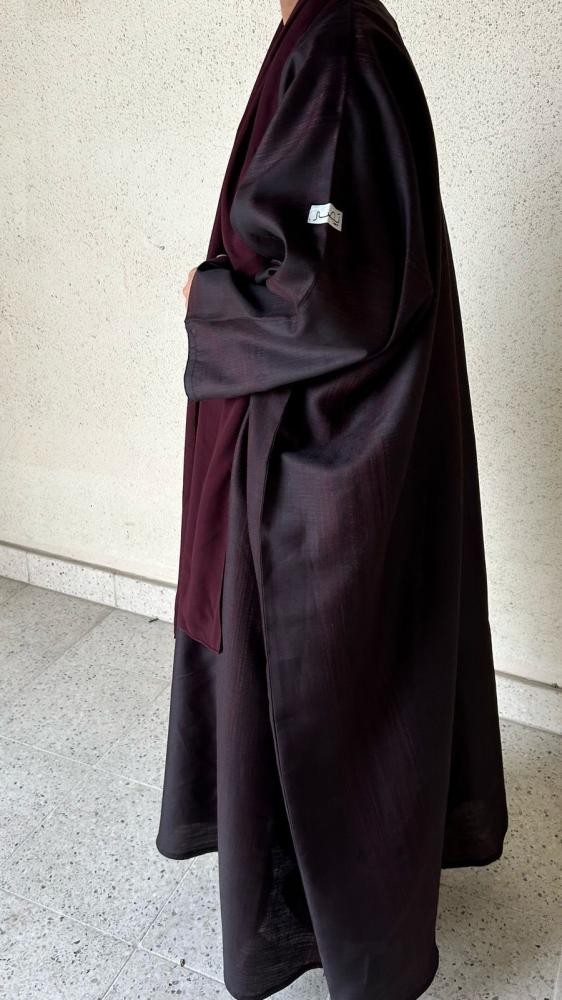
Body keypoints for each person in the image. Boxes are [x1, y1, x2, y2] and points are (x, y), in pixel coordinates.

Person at [156, 2, 509, 998]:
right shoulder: (332, 33)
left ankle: (344, 937)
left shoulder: (338, 47)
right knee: (346, 680)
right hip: (330, 434)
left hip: (320, 453)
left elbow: (328, 293)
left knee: (320, 689)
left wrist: (209, 299)